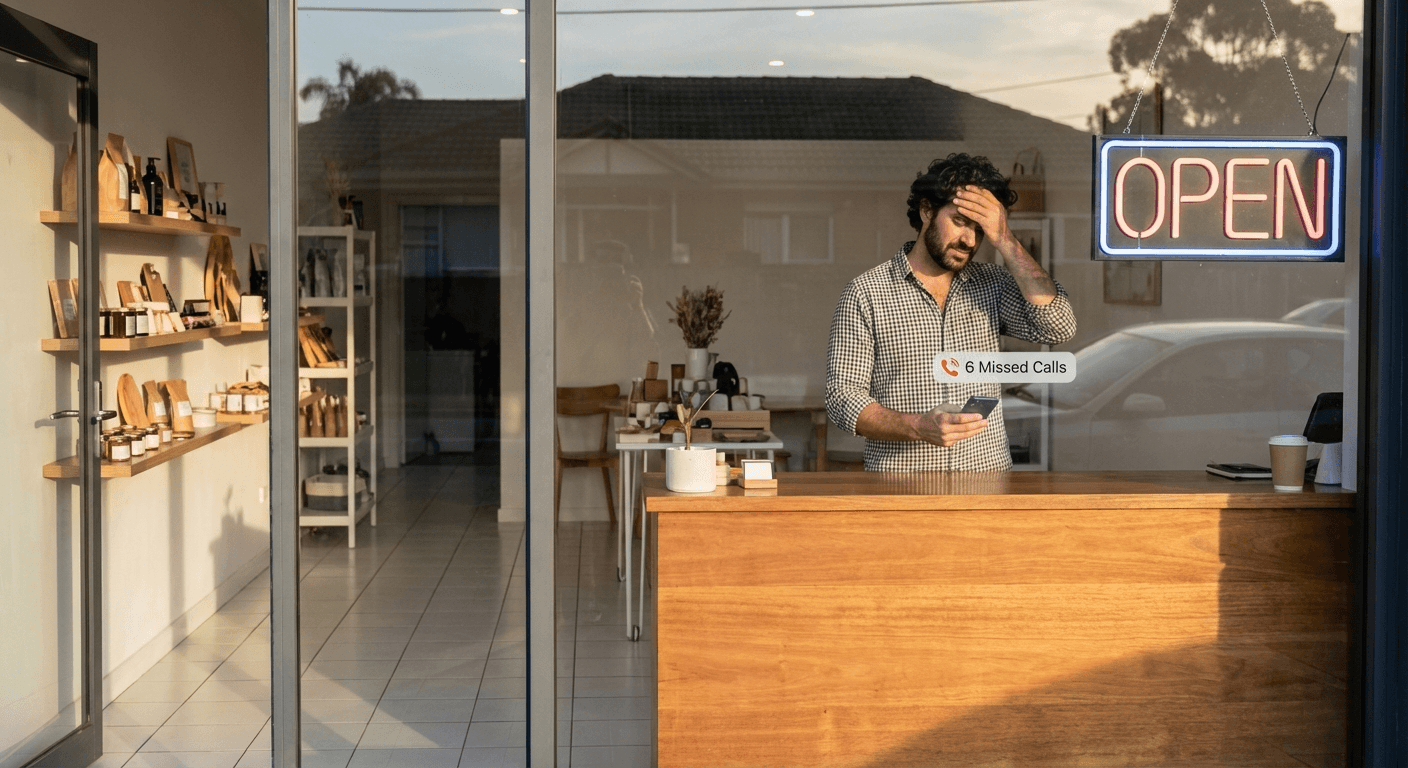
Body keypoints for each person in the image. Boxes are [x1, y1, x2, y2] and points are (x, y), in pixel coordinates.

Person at [825, 153, 1077, 471]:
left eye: (980, 229)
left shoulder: (993, 285)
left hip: (985, 487)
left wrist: (1005, 239)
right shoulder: (867, 293)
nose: (969, 240)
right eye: (959, 222)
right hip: (902, 488)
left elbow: (1058, 326)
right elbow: (841, 398)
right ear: (927, 210)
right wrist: (917, 426)